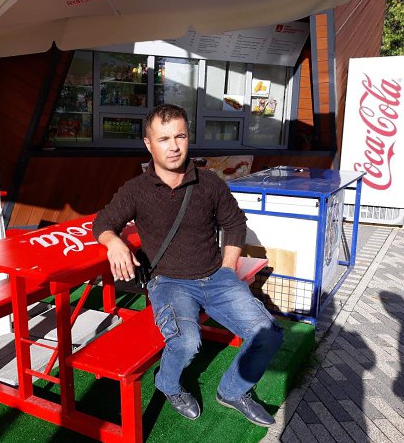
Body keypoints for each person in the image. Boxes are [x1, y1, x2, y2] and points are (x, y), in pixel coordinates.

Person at [92, 104, 283, 427]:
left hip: (217, 277)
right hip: (170, 282)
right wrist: (114, 242)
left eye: (180, 136)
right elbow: (103, 223)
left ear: (188, 137)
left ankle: (233, 390)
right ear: (148, 144)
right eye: (163, 139)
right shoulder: (136, 190)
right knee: (186, 342)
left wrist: (228, 268)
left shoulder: (209, 182)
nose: (174, 146)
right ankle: (167, 384)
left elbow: (234, 223)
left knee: (269, 334)